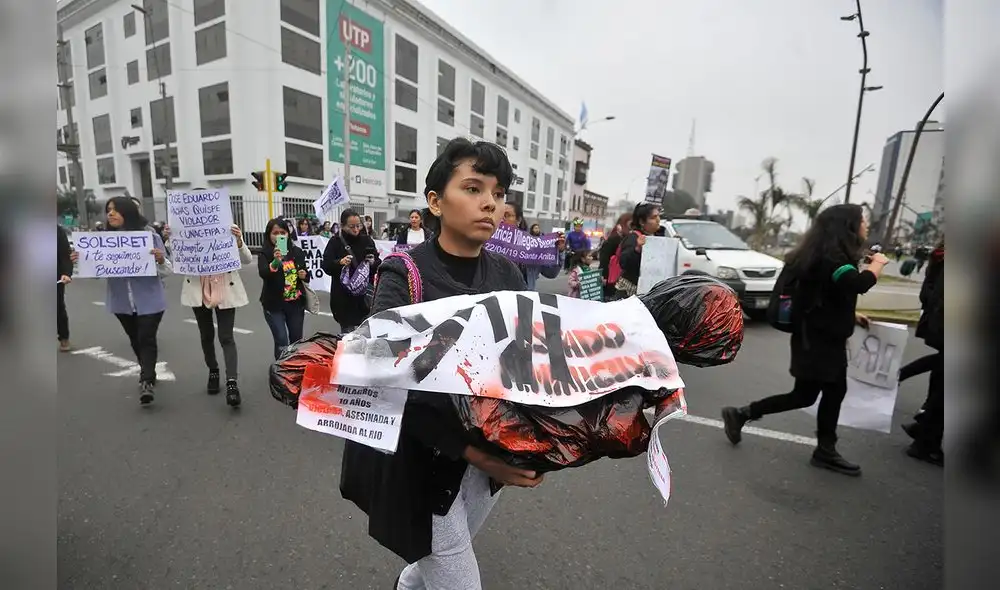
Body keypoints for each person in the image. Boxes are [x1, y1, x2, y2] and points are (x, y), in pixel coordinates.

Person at [340, 137, 543, 590]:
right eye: (473, 188)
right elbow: (383, 380)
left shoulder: (508, 275)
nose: (490, 203)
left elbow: (524, 363)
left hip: (484, 454)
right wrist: (474, 453)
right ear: (435, 201)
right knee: (457, 575)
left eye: (498, 192)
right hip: (420, 461)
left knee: (438, 554)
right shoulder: (402, 274)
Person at [720, 204, 889, 475]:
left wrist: (852, 314)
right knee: (827, 392)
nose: (866, 226)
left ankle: (742, 414)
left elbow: (826, 295)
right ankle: (824, 451)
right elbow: (856, 284)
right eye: (862, 221)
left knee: (806, 395)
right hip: (819, 340)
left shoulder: (823, 254)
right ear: (846, 226)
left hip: (817, 337)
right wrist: (877, 266)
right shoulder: (830, 257)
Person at [73, 197, 169, 404]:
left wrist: (160, 259)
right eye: (108, 210)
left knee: (146, 337)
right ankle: (148, 370)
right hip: (122, 302)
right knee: (135, 339)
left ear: (127, 212)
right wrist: (82, 260)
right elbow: (94, 273)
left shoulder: (148, 235)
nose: (111, 214)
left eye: (116, 210)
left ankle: (146, 382)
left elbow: (167, 270)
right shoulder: (103, 239)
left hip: (150, 300)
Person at [180, 225, 253, 407]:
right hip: (198, 287)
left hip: (225, 287)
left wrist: (238, 241)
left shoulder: (228, 228)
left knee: (226, 337)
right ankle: (213, 370)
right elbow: (177, 256)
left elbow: (247, 259)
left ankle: (232, 383)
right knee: (206, 335)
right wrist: (170, 238)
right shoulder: (186, 228)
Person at [899, 239, 944, 465]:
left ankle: (925, 431)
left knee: (942, 376)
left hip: (940, 321)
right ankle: (926, 442)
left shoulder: (941, 254)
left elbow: (929, 291)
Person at [321, 208, 381, 333]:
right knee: (348, 340)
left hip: (364, 298)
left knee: (367, 337)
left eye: (358, 226)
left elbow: (378, 264)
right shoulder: (335, 242)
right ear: (342, 226)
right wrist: (340, 263)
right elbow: (326, 265)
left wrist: (373, 262)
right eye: (351, 226)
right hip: (343, 299)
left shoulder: (367, 241)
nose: (355, 230)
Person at [258, 218, 309, 360]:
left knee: (296, 340)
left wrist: (304, 275)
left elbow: (306, 274)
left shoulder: (297, 252)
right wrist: (276, 261)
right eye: (275, 233)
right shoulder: (265, 253)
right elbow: (264, 273)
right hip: (274, 305)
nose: (279, 236)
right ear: (269, 235)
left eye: (283, 232)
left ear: (288, 234)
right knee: (281, 339)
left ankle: (293, 369)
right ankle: (281, 371)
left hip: (295, 303)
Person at [503, 202, 563, 290]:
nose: (502, 219)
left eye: (507, 215)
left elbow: (551, 273)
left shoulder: (532, 246)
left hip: (523, 300)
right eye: (499, 214)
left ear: (518, 220)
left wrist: (559, 252)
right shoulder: (486, 243)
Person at [614, 203, 661, 299]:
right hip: (629, 295)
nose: (658, 220)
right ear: (642, 222)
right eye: (653, 217)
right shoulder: (633, 238)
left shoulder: (654, 238)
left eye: (658, 216)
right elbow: (624, 262)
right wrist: (637, 249)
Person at [598, 213, 632, 301]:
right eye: (630, 224)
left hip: (617, 281)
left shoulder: (627, 238)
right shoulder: (615, 239)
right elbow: (604, 260)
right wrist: (604, 277)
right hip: (611, 281)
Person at [57, 224, 73, 352]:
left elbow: (64, 254)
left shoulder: (57, 230)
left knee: (57, 306)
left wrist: (66, 273)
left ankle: (64, 337)